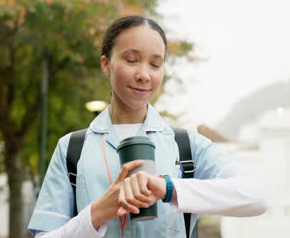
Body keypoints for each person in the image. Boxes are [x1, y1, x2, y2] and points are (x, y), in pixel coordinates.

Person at [28, 15, 267, 238]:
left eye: (155, 64)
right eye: (131, 60)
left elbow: (256, 197)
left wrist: (168, 188)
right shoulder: (72, 148)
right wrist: (97, 213)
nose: (144, 74)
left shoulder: (186, 145)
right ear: (105, 64)